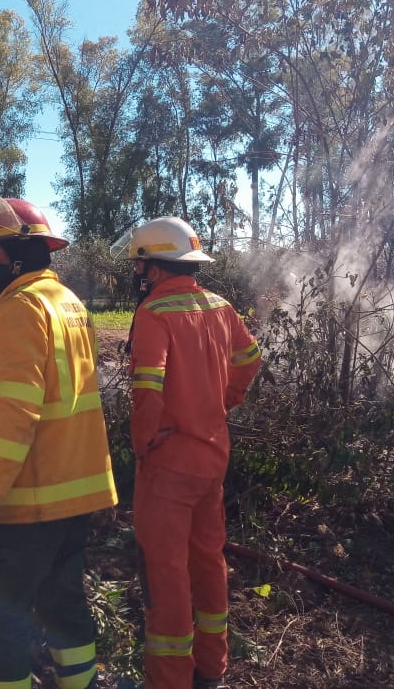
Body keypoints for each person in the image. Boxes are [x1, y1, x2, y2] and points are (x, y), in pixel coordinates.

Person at [0, 196, 118, 689]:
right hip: (73, 493)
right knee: (62, 601)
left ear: (23, 253)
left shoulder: (20, 307)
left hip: (29, 500)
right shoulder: (65, 302)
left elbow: (16, 412)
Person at [115, 216, 262, 689]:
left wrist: (143, 443)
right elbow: (250, 357)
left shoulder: (155, 313)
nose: (138, 277)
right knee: (207, 560)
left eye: (140, 267)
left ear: (154, 269)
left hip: (168, 463)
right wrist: (225, 400)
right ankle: (211, 669)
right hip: (211, 457)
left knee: (167, 572)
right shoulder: (221, 306)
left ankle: (171, 678)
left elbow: (147, 387)